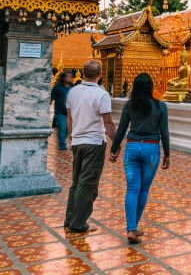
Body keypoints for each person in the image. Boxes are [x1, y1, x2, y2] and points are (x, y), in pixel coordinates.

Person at [110, 73, 170, 244]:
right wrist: (167, 153)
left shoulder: (129, 106)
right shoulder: (160, 106)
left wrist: (114, 149)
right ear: (151, 87)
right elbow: (164, 132)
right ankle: (133, 227)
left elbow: (121, 130)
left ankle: (131, 228)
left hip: (132, 148)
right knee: (143, 190)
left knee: (132, 189)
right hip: (151, 149)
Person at [64, 59, 115, 237]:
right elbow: (108, 124)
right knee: (89, 184)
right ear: (100, 75)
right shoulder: (102, 94)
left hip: (78, 141)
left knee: (77, 182)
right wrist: (116, 144)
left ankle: (70, 218)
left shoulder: (73, 92)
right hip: (94, 142)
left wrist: (71, 138)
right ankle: (78, 223)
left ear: (83, 73)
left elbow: (69, 119)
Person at [50, 70, 73, 150]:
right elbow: (51, 98)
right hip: (60, 111)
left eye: (70, 77)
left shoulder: (72, 88)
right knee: (62, 127)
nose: (68, 78)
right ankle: (62, 145)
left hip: (69, 112)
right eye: (67, 76)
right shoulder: (57, 87)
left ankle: (62, 140)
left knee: (67, 128)